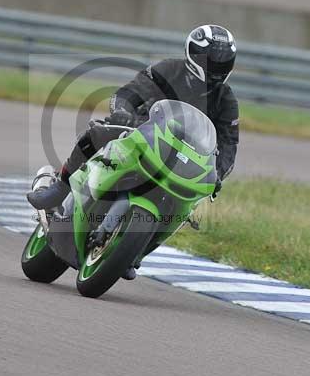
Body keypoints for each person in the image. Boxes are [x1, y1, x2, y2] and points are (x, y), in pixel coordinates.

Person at [27, 24, 241, 276]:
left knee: (187, 204)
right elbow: (129, 92)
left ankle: (133, 253)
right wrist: (123, 112)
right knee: (96, 133)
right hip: (140, 132)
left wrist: (218, 172)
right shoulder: (167, 70)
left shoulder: (226, 100)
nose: (216, 69)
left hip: (180, 158)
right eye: (212, 62)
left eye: (222, 64)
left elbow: (228, 143)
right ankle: (59, 187)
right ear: (193, 54)